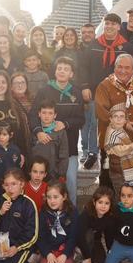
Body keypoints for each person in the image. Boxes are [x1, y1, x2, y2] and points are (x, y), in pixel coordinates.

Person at [80, 14, 133, 169]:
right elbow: (84, 67)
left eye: (113, 24)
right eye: (107, 23)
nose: (109, 26)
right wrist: (84, 86)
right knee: (93, 123)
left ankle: (115, 152)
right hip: (95, 91)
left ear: (119, 26)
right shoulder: (94, 44)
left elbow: (131, 70)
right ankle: (92, 153)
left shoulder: (127, 47)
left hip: (117, 93)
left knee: (115, 123)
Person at [29, 56, 85, 204]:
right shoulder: (44, 91)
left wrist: (65, 124)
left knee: (70, 184)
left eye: (66, 69)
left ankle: (70, 216)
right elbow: (33, 115)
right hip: (45, 148)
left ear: (71, 74)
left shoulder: (76, 93)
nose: (62, 71)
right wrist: (38, 132)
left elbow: (81, 119)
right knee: (46, 186)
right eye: (59, 68)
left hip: (69, 149)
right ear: (55, 71)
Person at [94, 54, 133, 189]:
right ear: (114, 68)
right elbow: (102, 112)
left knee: (130, 180)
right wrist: (125, 124)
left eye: (127, 68)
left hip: (132, 141)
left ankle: (127, 208)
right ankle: (106, 209)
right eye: (119, 67)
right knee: (108, 181)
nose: (123, 71)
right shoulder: (104, 85)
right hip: (110, 143)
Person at [0, 168, 39, 263]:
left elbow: (32, 235)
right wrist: (0, 212)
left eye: (14, 184)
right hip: (3, 244)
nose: (10, 188)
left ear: (22, 184)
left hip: (21, 246)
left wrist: (17, 247)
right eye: (6, 185)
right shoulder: (1, 201)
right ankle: (9, 261)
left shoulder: (28, 204)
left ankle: (30, 262)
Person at [37, 183, 78, 263]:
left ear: (64, 197)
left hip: (64, 248)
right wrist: (47, 254)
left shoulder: (72, 212)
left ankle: (71, 256)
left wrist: (65, 254)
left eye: (56, 197)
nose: (52, 201)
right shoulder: (43, 212)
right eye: (49, 197)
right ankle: (42, 256)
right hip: (49, 249)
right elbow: (40, 236)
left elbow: (73, 236)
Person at [104, 104, 133, 194]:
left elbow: (125, 146)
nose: (119, 119)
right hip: (120, 170)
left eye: (121, 117)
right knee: (123, 197)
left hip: (122, 170)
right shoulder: (113, 133)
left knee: (129, 196)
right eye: (115, 116)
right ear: (110, 119)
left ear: (125, 120)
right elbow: (119, 151)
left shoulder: (119, 129)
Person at [77, 186, 116, 263]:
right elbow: (80, 235)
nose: (103, 206)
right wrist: (87, 258)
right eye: (100, 202)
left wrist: (110, 250)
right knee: (89, 234)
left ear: (110, 205)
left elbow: (109, 234)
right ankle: (82, 253)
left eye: (107, 203)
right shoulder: (86, 214)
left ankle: (86, 252)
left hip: (95, 239)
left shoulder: (109, 216)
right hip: (80, 239)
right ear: (94, 202)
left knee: (101, 261)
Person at [31, 100, 69, 181]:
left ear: (55, 115)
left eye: (50, 113)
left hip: (53, 174)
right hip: (36, 174)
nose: (46, 116)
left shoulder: (61, 132)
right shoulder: (35, 131)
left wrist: (61, 174)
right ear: (39, 114)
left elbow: (64, 154)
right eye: (44, 112)